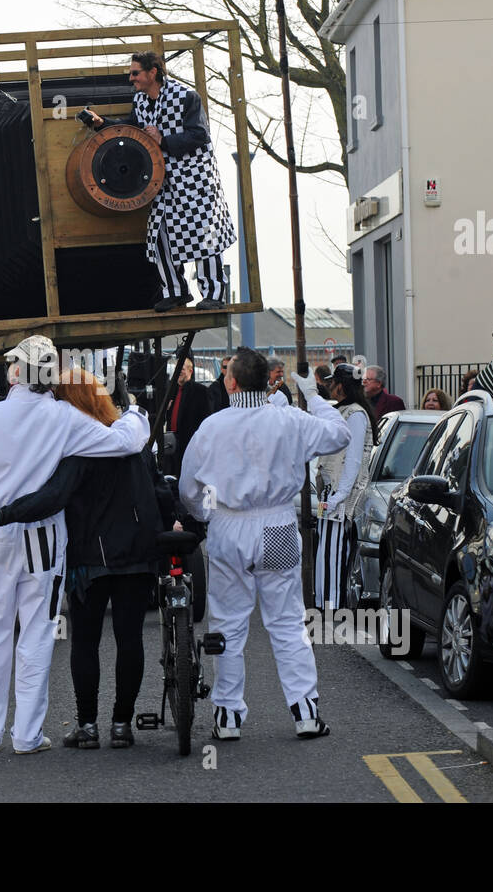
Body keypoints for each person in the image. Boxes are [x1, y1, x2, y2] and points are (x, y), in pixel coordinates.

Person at [0, 335, 150, 754]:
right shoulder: (65, 418)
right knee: (36, 633)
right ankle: (27, 735)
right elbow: (124, 442)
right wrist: (136, 415)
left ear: (15, 371)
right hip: (44, 536)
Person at [179, 347, 351, 740]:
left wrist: (208, 515)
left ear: (232, 382)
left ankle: (227, 717)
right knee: (288, 622)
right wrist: (312, 394)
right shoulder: (289, 418)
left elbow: (190, 488)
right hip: (277, 523)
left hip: (229, 526)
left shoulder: (213, 426)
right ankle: (306, 712)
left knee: (228, 623)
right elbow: (339, 434)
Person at [85, 52, 235, 312]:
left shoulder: (186, 97)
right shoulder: (141, 101)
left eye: (135, 73)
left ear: (152, 73)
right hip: (161, 181)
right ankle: (176, 291)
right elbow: (131, 129)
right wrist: (101, 124)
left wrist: (163, 139)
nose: (131, 78)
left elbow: (199, 135)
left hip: (194, 180)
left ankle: (214, 293)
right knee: (160, 234)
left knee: (205, 235)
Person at [313, 364, 380, 610]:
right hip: (330, 491)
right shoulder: (343, 411)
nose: (329, 386)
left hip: (340, 494)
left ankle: (331, 606)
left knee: (334, 552)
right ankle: (323, 603)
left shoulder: (356, 414)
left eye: (332, 382)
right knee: (325, 549)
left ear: (341, 385)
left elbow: (353, 460)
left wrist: (340, 495)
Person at [166, 355, 210, 476]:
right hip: (171, 442)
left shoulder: (200, 391)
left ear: (190, 371)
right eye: (177, 368)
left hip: (189, 441)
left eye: (183, 369)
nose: (179, 371)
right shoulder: (171, 390)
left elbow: (206, 417)